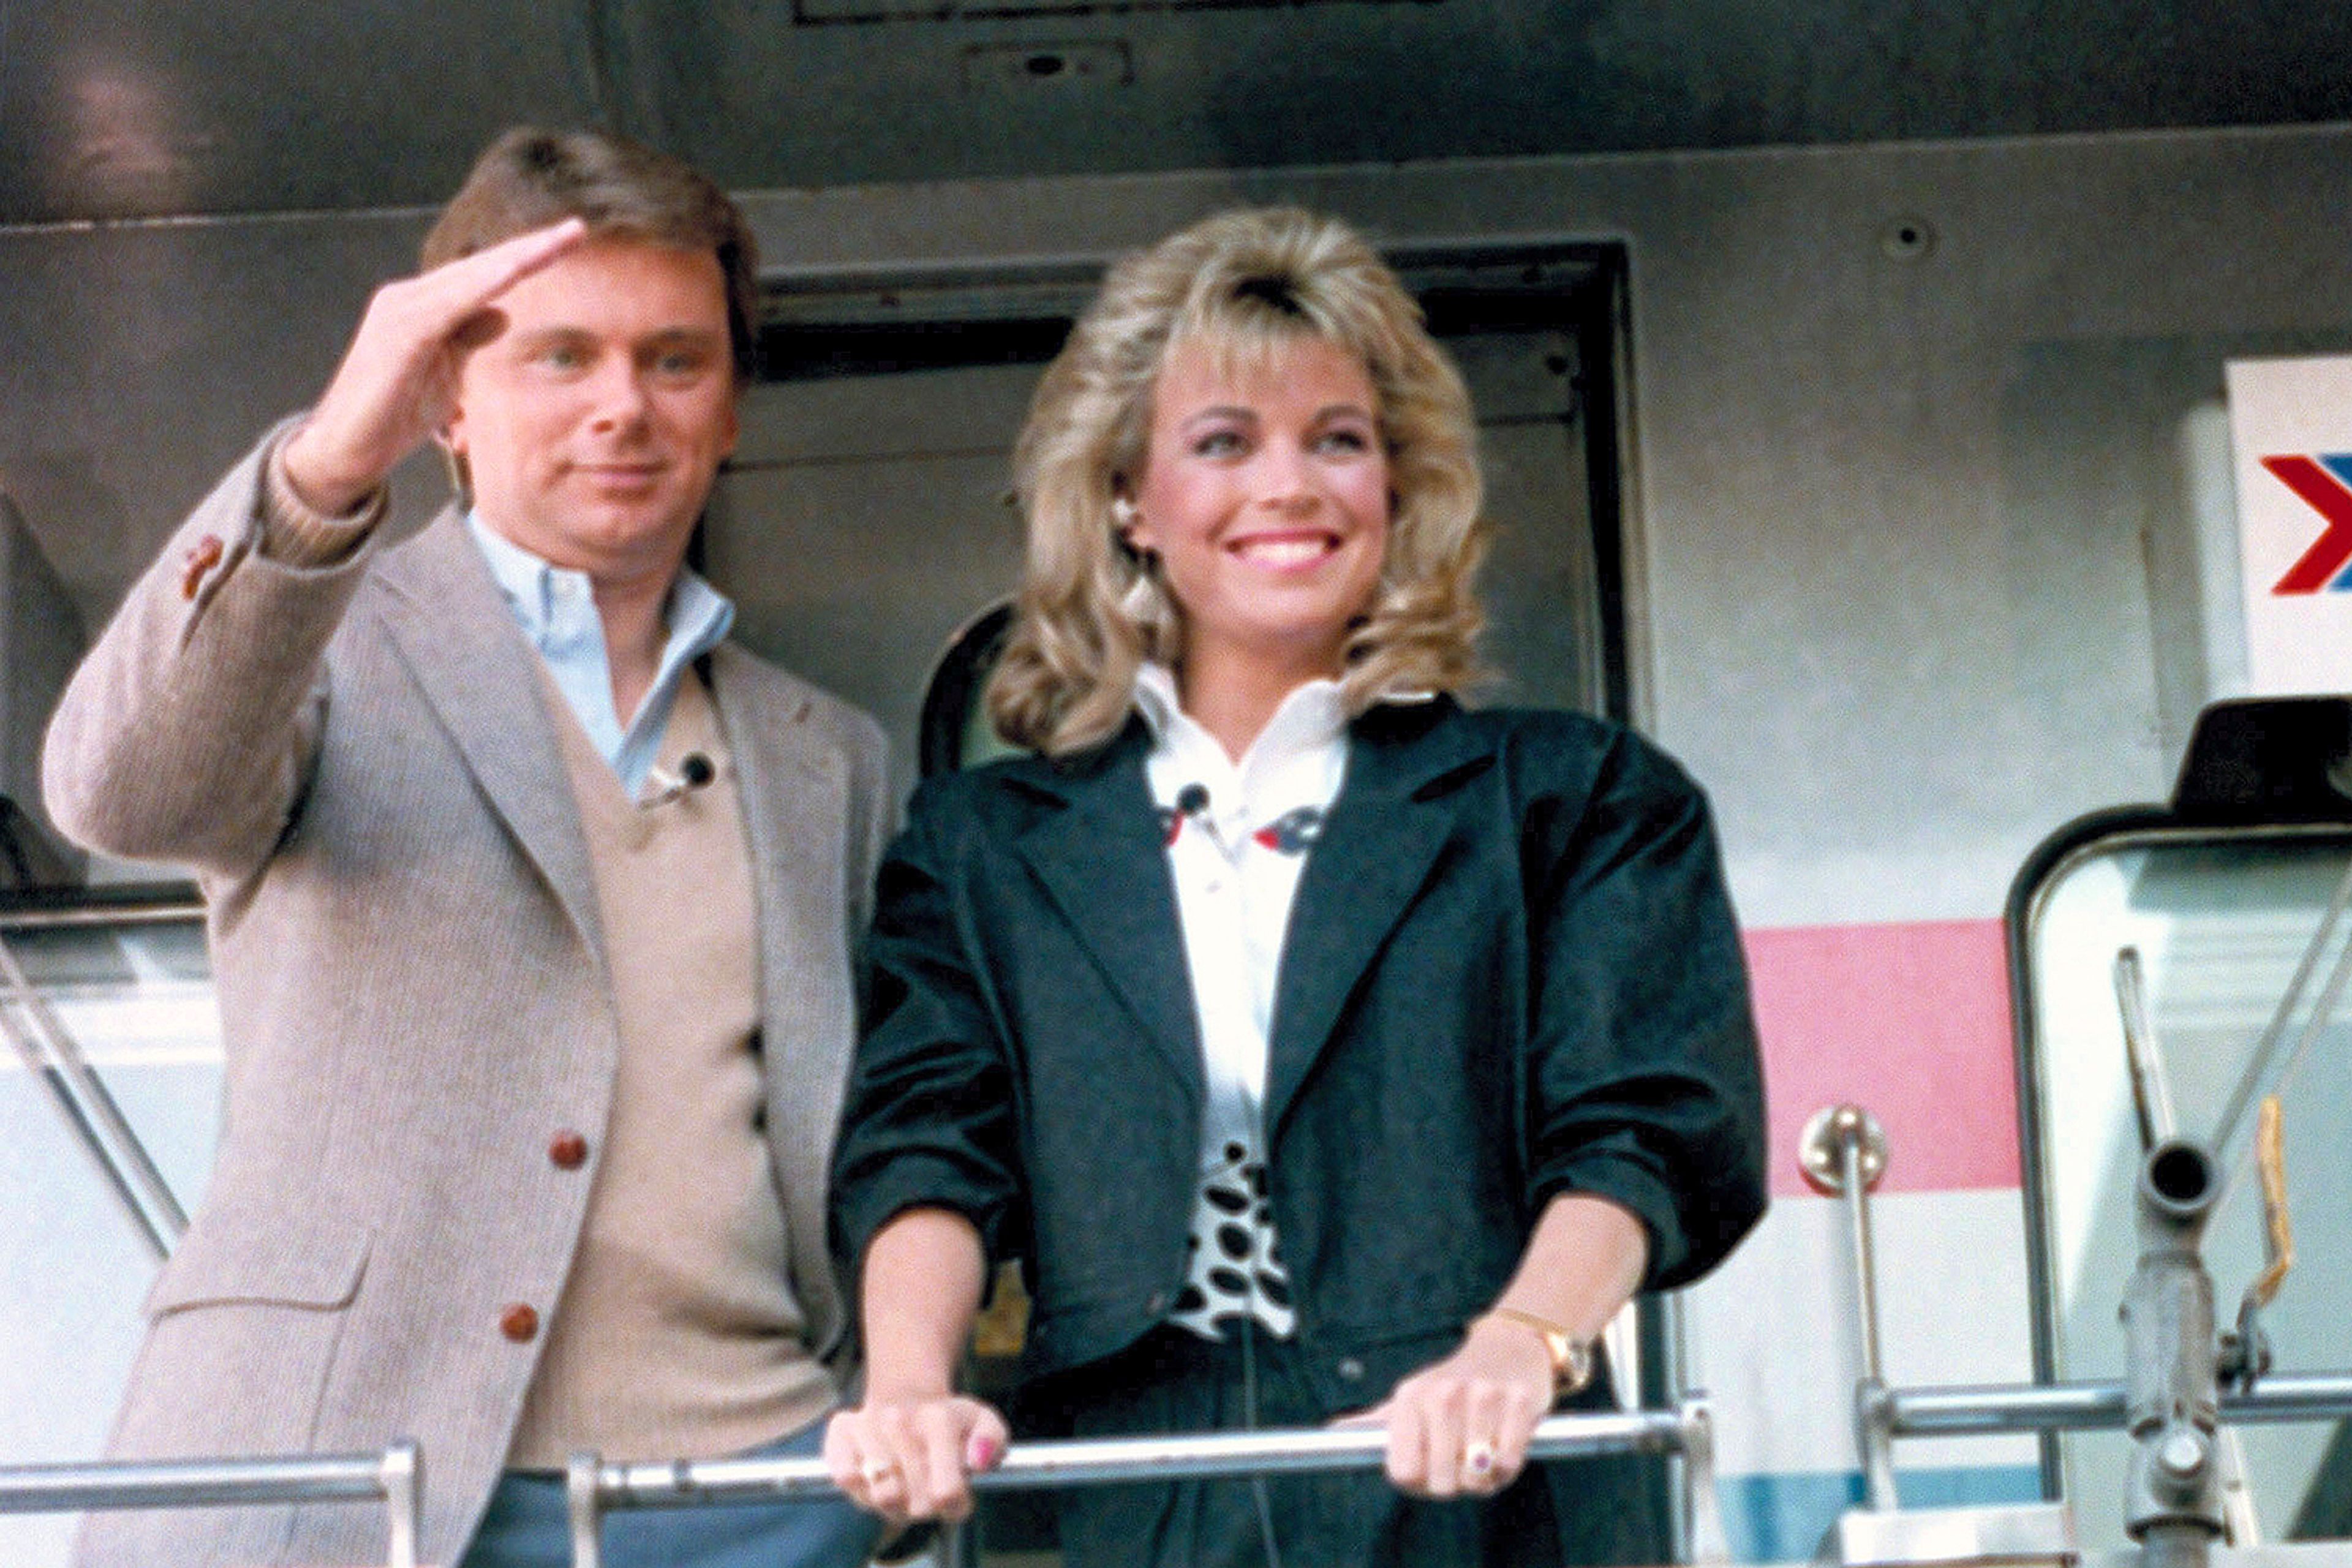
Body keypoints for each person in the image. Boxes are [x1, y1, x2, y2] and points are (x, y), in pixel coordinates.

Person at [823, 206, 1769, 1567]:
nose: (1294, 485)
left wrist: (1522, 1343)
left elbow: (1647, 1129)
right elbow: (927, 1145)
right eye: (1224, 443)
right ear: (1129, 506)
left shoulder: (1575, 799)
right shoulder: (982, 845)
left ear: (1398, 485)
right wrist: (910, 1378)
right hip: (1128, 1497)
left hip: (1487, 1495)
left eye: (1339, 438)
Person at [43, 127, 891, 1568]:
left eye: (675, 359)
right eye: (560, 356)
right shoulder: (310, 643)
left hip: (764, 1488)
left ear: (732, 406)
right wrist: (324, 464)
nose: (623, 406)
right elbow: (122, 797)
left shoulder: (830, 751)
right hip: (358, 1473)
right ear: (444, 399)